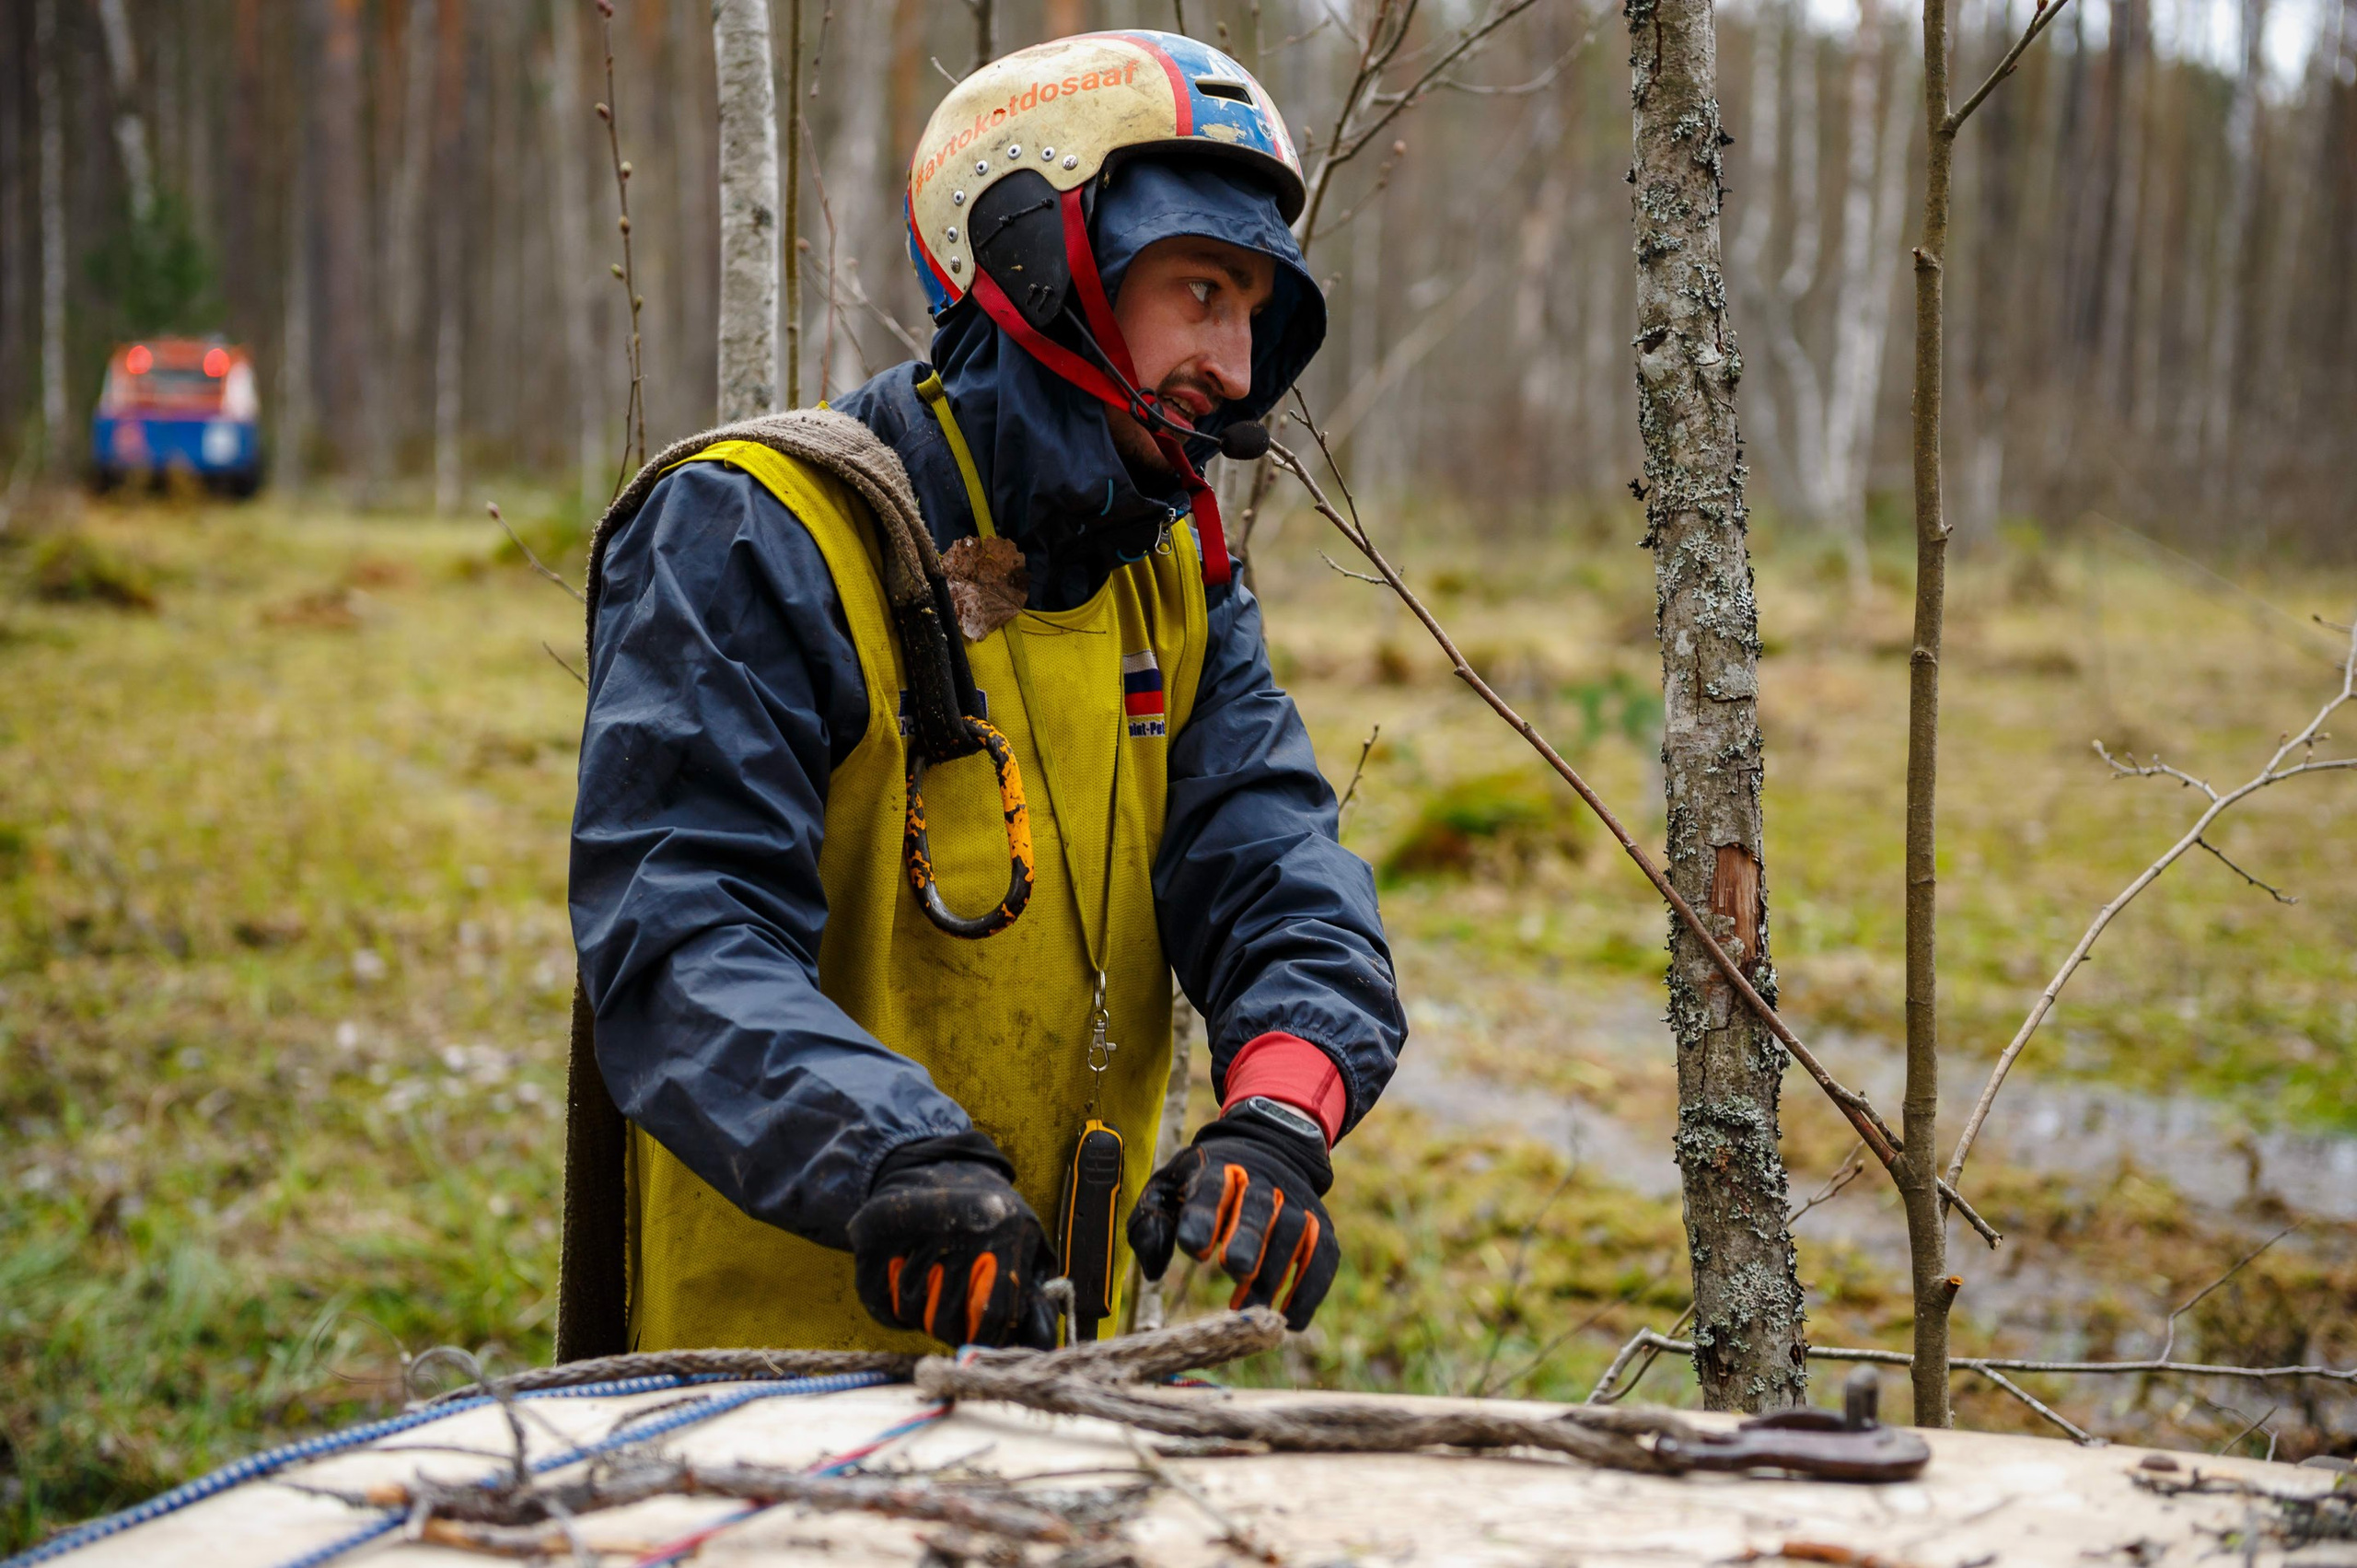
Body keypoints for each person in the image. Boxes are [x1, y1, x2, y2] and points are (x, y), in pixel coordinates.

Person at [563, 30, 1404, 1356]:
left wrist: (1281, 1117)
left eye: (1253, 312)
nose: (1237, 370)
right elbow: (678, 943)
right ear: (1032, 264)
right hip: (757, 1378)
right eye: (1200, 290)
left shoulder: (1177, 578)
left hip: (1052, 1377)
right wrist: (895, 1160)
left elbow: (1279, 876)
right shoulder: (757, 528)